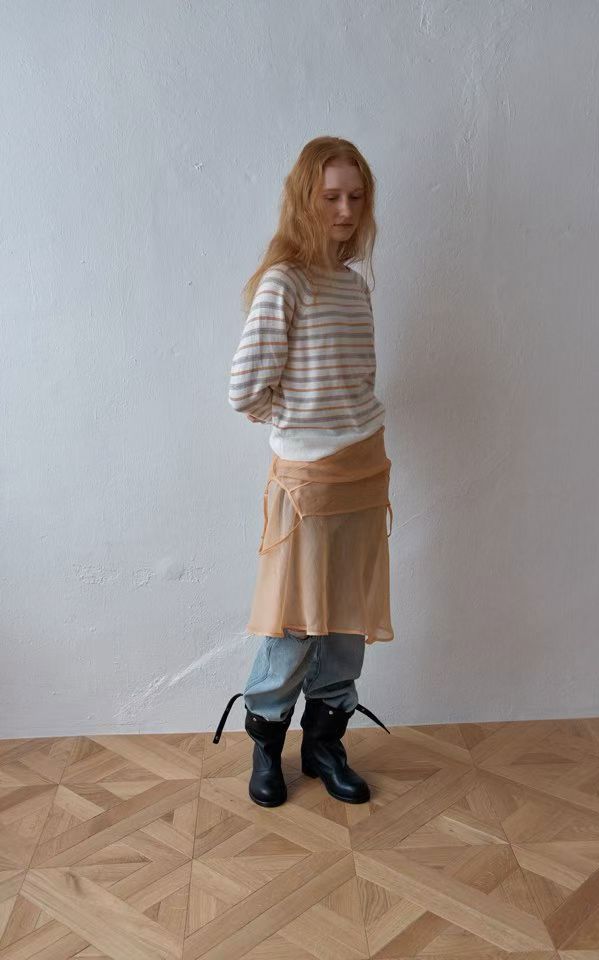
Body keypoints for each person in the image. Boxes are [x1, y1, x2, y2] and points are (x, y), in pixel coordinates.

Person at [212, 136, 393, 808]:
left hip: (366, 470)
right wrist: (292, 421)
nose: (346, 210)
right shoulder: (284, 282)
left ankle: (324, 743)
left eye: (356, 196)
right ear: (304, 201)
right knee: (294, 626)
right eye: (332, 196)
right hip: (307, 480)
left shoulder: (353, 287)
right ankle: (267, 744)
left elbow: (360, 380)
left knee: (346, 625)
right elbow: (245, 389)